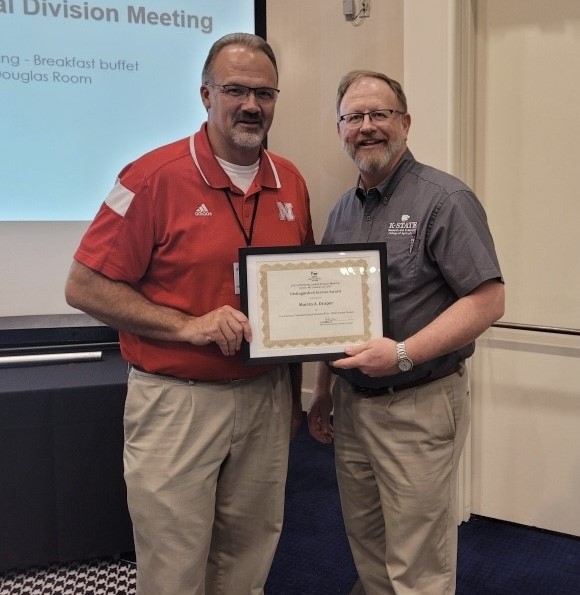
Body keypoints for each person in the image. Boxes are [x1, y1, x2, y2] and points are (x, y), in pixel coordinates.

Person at [65, 33, 314, 595]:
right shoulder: (152, 176)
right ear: (205, 94)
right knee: (174, 567)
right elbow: (83, 286)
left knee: (250, 553)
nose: (251, 104)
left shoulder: (291, 181)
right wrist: (186, 325)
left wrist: (294, 396)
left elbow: (300, 297)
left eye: (264, 93)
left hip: (266, 398)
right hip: (178, 401)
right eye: (235, 90)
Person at [308, 70, 504, 595]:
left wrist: (400, 353)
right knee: (368, 546)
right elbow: (333, 311)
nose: (367, 127)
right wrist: (323, 392)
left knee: (417, 562)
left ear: (406, 123)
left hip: (417, 404)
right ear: (341, 129)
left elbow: (488, 299)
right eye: (354, 117)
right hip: (352, 404)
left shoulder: (445, 199)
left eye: (380, 114)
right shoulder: (342, 211)